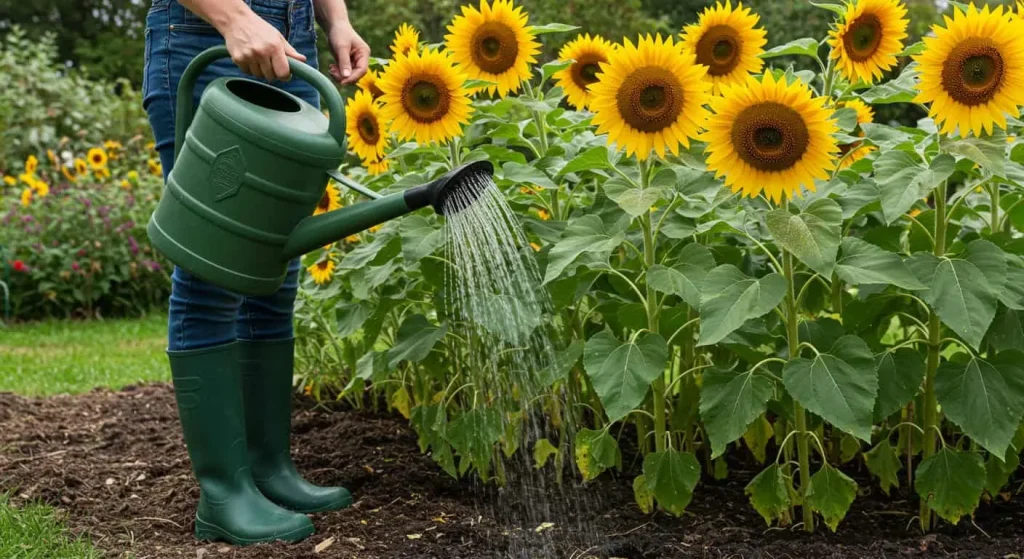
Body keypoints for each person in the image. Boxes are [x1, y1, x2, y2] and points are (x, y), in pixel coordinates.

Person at [141, 0, 369, 545]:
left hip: (294, 42)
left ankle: (269, 469)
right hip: (206, 37)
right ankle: (225, 494)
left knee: (273, 266)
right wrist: (232, 17)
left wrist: (335, 20)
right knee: (214, 266)